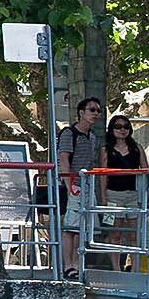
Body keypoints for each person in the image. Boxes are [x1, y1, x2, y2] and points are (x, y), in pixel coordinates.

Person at [56, 97, 101, 279]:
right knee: (70, 227)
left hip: (87, 184)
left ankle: (77, 263)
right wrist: (69, 185)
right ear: (81, 113)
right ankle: (68, 265)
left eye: (98, 110)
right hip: (74, 183)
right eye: (92, 110)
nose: (96, 113)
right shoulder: (69, 133)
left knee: (81, 228)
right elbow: (64, 159)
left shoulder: (92, 136)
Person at [99, 114, 145, 272]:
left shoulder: (136, 148)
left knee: (135, 234)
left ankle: (134, 268)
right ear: (111, 129)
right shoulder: (106, 150)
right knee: (115, 234)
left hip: (133, 195)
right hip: (113, 195)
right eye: (118, 126)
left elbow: (145, 171)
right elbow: (102, 175)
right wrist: (103, 198)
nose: (122, 130)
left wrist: (144, 197)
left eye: (126, 126)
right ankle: (116, 268)